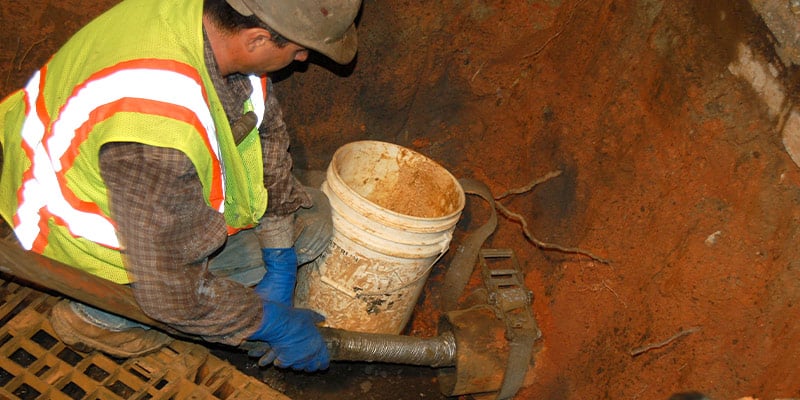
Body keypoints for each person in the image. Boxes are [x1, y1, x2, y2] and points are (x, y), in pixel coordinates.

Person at [0, 0, 361, 372]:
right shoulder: (157, 123)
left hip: (119, 179)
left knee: (306, 223)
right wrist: (270, 324)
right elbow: (174, 293)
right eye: (299, 49)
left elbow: (263, 130)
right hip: (77, 230)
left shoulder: (202, 21)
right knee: (199, 288)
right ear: (256, 39)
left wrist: (279, 256)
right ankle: (101, 314)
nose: (302, 59)